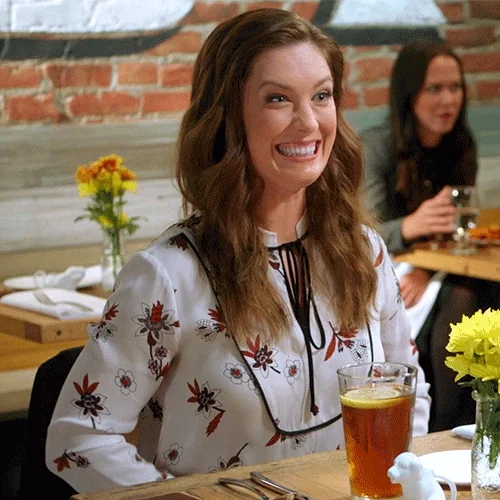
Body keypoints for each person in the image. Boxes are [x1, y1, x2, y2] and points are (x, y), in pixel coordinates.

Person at [46, 9, 430, 493]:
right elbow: (79, 438)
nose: (309, 122)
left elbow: (409, 391)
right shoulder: (167, 276)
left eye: (321, 95)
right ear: (228, 117)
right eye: (277, 99)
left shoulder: (365, 252)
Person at [361, 39, 495, 432]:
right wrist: (409, 227)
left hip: (436, 264)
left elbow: (456, 231)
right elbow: (360, 236)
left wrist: (425, 267)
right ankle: (443, 430)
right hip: (384, 265)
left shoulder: (460, 144)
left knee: (480, 291)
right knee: (464, 297)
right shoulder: (376, 146)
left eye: (455, 87)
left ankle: (476, 425)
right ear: (409, 95)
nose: (448, 100)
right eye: (434, 89)